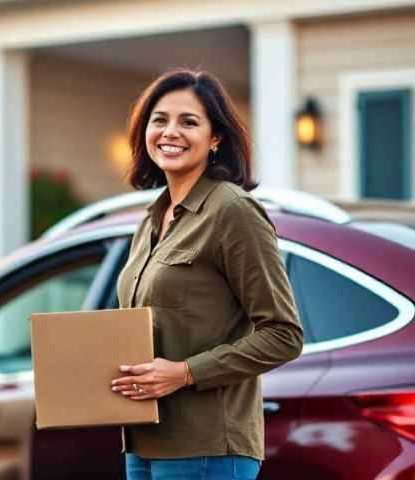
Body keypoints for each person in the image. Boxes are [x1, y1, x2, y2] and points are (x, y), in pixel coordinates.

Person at [110, 69, 303, 480]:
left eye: (189, 122)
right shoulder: (152, 219)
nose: (170, 132)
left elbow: (283, 335)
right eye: (159, 119)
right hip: (143, 441)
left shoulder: (233, 211)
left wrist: (184, 373)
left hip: (207, 448)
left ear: (216, 138)